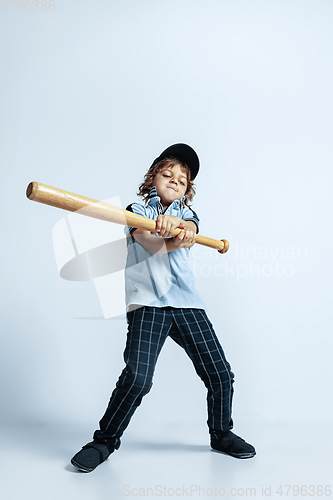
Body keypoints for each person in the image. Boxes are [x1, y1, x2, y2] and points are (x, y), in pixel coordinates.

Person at [71, 143, 256, 472]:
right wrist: (166, 234)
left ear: (187, 190)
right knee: (138, 379)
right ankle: (104, 440)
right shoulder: (136, 212)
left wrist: (183, 230)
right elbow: (147, 241)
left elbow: (192, 228)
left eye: (182, 180)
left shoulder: (187, 215)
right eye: (166, 173)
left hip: (187, 305)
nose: (173, 180)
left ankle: (221, 433)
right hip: (148, 306)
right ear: (151, 179)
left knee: (221, 375)